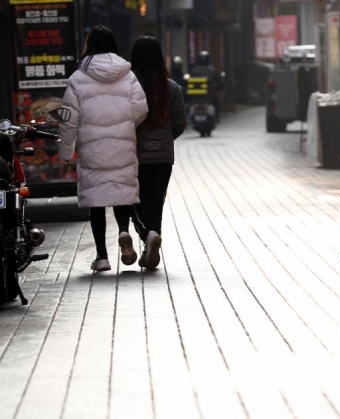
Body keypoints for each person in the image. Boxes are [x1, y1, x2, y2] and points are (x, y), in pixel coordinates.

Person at [58, 25, 148, 272]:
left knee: (97, 203)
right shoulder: (128, 75)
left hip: (92, 149)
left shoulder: (78, 78)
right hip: (122, 145)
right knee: (120, 196)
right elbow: (141, 109)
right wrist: (125, 125)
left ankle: (102, 256)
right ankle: (122, 232)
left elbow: (69, 117)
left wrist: (65, 151)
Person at [129, 36, 187, 269]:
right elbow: (180, 121)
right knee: (157, 201)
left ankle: (148, 236)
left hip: (135, 153)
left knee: (136, 199)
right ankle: (152, 241)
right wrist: (164, 139)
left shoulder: (128, 86)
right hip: (163, 156)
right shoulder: (170, 87)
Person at [191, 51, 222, 122]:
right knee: (216, 100)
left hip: (194, 95)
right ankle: (216, 117)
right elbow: (218, 82)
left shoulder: (193, 70)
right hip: (208, 95)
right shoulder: (211, 71)